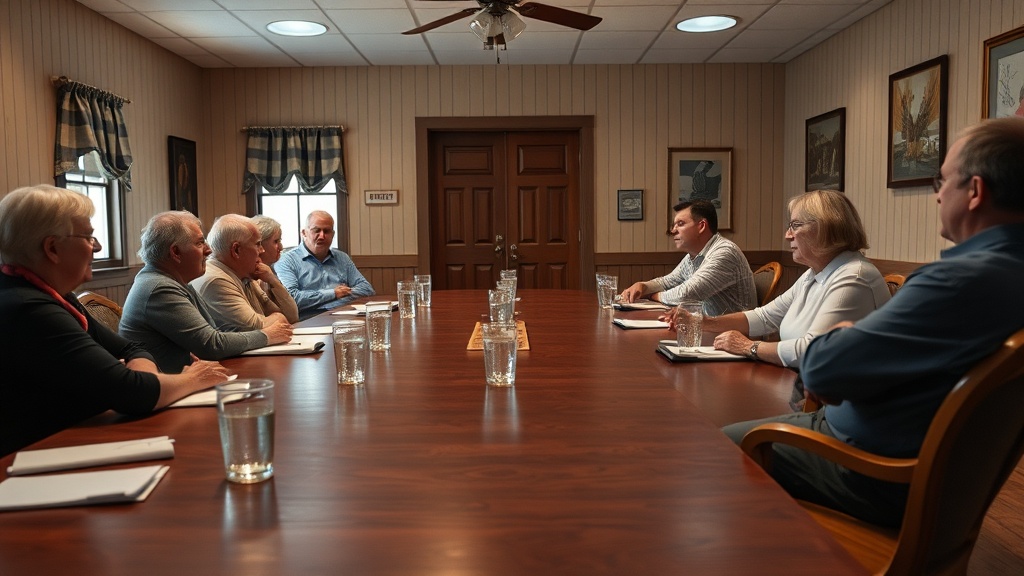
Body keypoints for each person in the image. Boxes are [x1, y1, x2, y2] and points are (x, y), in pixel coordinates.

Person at [722, 117, 1024, 528]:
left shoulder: (957, 282)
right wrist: (842, 342)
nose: (937, 197)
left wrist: (841, 341)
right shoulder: (1007, 273)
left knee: (718, 447)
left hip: (871, 469)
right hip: (923, 472)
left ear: (974, 192)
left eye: (942, 183)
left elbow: (825, 369)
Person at [0, 186, 230, 456]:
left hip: (74, 443)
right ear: (52, 248)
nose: (96, 246)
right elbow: (134, 394)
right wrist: (192, 379)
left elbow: (132, 350)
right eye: (88, 237)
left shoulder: (57, 295)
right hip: (37, 461)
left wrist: (137, 380)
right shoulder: (29, 309)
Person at [669, 190, 890, 369]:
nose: (787, 234)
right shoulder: (816, 272)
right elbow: (765, 317)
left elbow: (811, 351)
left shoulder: (854, 277)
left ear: (826, 227)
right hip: (800, 386)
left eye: (795, 225)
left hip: (829, 405)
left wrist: (749, 347)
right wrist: (704, 322)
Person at [120, 211, 292, 373]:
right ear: (176, 252)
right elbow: (212, 345)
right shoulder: (159, 288)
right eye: (199, 243)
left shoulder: (174, 281)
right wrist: (267, 335)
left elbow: (213, 333)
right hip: (165, 392)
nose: (208, 250)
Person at [619, 200, 757, 316]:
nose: (673, 230)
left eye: (680, 224)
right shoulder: (693, 255)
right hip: (709, 331)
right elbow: (668, 282)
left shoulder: (725, 252)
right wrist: (643, 286)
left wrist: (651, 296)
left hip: (734, 336)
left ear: (701, 226)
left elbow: (686, 294)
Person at [190, 214, 297, 330]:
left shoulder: (244, 275)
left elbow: (292, 317)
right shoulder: (215, 281)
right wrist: (278, 316)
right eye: (257, 244)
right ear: (236, 250)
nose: (261, 250)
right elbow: (256, 328)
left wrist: (273, 281)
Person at [275, 210, 375, 320]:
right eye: (316, 230)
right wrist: (334, 293)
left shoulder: (342, 258)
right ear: (303, 233)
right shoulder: (286, 261)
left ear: (333, 234)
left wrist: (329, 303)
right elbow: (292, 300)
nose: (322, 236)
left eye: (327, 231)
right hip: (308, 323)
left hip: (345, 318)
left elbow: (367, 289)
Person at [250, 214, 299, 323]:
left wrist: (273, 281)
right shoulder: (251, 277)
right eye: (276, 241)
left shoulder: (269, 271)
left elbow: (293, 316)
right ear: (260, 243)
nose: (281, 247)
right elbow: (286, 318)